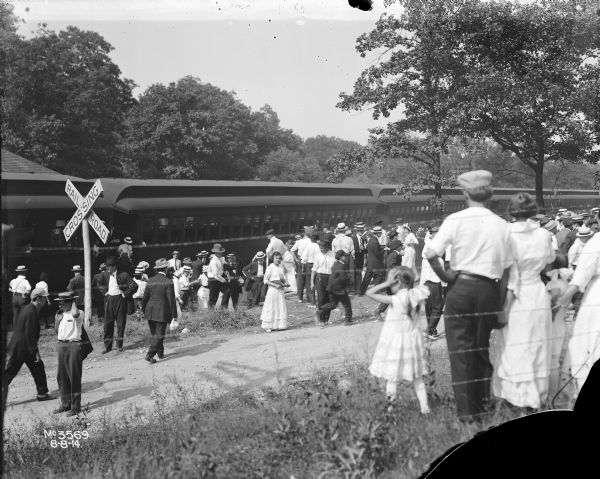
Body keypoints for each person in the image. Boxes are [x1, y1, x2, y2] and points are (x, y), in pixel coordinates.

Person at [424, 170, 513, 423]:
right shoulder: (502, 225)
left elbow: (431, 253)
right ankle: (484, 409)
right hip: (488, 290)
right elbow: (507, 270)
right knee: (481, 349)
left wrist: (446, 276)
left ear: (465, 194)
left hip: (461, 288)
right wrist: (500, 304)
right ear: (491, 194)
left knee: (461, 352)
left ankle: (467, 415)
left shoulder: (455, 219)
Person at [490, 193, 555, 411]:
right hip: (537, 292)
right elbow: (549, 262)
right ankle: (536, 394)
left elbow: (508, 273)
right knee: (537, 341)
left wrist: (503, 307)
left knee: (514, 343)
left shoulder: (506, 234)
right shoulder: (544, 234)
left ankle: (516, 396)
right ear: (533, 210)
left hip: (516, 296)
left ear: (510, 211)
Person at [367, 267, 431, 414]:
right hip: (413, 343)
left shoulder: (395, 300)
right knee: (418, 377)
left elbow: (369, 293)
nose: (389, 285)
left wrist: (385, 283)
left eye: (391, 282)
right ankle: (425, 408)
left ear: (398, 283)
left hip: (396, 344)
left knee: (392, 377)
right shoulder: (416, 296)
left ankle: (391, 409)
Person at [557, 230, 600, 397]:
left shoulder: (596, 242)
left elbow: (582, 275)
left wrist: (564, 299)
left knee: (588, 340)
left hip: (596, 293)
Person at [3, 287, 53, 406]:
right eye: (44, 298)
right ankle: (42, 393)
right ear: (39, 299)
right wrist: (35, 351)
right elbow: (29, 333)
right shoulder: (31, 312)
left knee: (37, 368)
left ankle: (42, 394)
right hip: (22, 347)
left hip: (21, 346)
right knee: (9, 373)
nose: (46, 300)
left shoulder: (27, 308)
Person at [53, 291, 93, 416]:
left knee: (74, 376)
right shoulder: (60, 314)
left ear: (70, 302)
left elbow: (75, 313)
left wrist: (74, 301)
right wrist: (57, 319)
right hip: (62, 345)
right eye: (59, 303)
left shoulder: (78, 313)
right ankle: (66, 404)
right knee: (62, 376)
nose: (60, 305)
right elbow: (56, 331)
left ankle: (76, 407)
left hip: (74, 345)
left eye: (63, 302)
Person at [96, 256, 138, 353]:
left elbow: (134, 285)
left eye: (110, 267)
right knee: (107, 324)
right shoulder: (104, 275)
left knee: (120, 324)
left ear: (114, 266)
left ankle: (119, 345)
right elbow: (99, 283)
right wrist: (105, 292)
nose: (108, 269)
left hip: (120, 299)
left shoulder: (123, 275)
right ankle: (107, 346)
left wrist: (125, 294)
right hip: (109, 299)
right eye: (107, 267)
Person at [143, 258, 177, 364]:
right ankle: (150, 354)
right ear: (166, 269)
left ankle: (160, 353)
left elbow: (145, 298)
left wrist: (145, 310)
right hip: (161, 311)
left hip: (150, 311)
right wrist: (174, 314)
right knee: (159, 335)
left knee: (155, 334)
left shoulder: (150, 280)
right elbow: (171, 300)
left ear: (157, 269)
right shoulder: (168, 282)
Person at [315, 250, 353, 326]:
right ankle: (348, 320)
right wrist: (350, 280)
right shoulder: (341, 265)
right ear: (341, 257)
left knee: (333, 304)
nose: (345, 257)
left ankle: (320, 311)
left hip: (332, 288)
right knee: (347, 304)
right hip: (339, 289)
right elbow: (343, 278)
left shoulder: (335, 264)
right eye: (344, 256)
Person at [420, 226, 445, 340]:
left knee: (429, 307)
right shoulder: (436, 256)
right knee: (438, 307)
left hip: (426, 283)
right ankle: (430, 330)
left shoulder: (425, 252)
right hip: (435, 283)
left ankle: (432, 330)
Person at [260, 252, 289, 333]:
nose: (278, 260)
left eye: (279, 258)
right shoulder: (270, 267)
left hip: (280, 290)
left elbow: (282, 278)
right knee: (271, 306)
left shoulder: (280, 267)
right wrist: (275, 285)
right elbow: (265, 280)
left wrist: (285, 284)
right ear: (272, 258)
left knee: (279, 306)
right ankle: (268, 326)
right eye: (276, 258)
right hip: (272, 290)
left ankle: (278, 325)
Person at [312, 239, 336, 327]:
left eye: (323, 248)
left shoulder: (333, 255)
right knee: (321, 299)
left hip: (330, 278)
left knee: (330, 299)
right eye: (320, 248)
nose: (321, 249)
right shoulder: (318, 255)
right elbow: (314, 270)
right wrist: (311, 282)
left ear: (327, 248)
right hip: (320, 278)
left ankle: (326, 319)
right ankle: (321, 319)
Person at [359, 226, 385, 295]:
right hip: (375, 263)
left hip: (370, 262)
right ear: (378, 233)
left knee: (367, 277)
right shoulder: (375, 241)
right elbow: (377, 253)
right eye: (380, 233)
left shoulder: (371, 240)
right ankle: (375, 290)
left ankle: (361, 292)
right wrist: (384, 249)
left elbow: (369, 249)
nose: (381, 234)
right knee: (380, 275)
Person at [291, 227, 312, 302]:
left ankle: (300, 297)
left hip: (300, 261)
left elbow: (292, 250)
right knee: (309, 280)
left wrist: (296, 259)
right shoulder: (311, 241)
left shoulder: (299, 241)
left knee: (300, 280)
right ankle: (309, 298)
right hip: (309, 261)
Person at [300, 233, 321, 306]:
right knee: (317, 283)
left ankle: (312, 301)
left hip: (309, 265)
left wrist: (303, 268)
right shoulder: (318, 246)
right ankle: (319, 300)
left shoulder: (308, 246)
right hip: (317, 265)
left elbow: (304, 258)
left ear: (311, 239)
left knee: (309, 283)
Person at [207, 243, 227, 308]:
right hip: (213, 279)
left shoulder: (221, 259)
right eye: (219, 252)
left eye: (221, 252)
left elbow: (223, 267)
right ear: (216, 253)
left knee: (227, 291)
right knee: (213, 297)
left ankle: (223, 307)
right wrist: (223, 280)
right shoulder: (213, 261)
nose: (221, 254)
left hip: (219, 278)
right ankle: (210, 311)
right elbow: (215, 274)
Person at [350, 222, 367, 295]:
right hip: (354, 259)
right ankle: (355, 289)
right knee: (354, 274)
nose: (361, 232)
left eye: (362, 230)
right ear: (356, 231)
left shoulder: (363, 239)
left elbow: (365, 250)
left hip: (360, 259)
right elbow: (351, 249)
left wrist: (363, 249)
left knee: (359, 274)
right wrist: (358, 250)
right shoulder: (352, 238)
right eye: (359, 231)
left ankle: (358, 290)